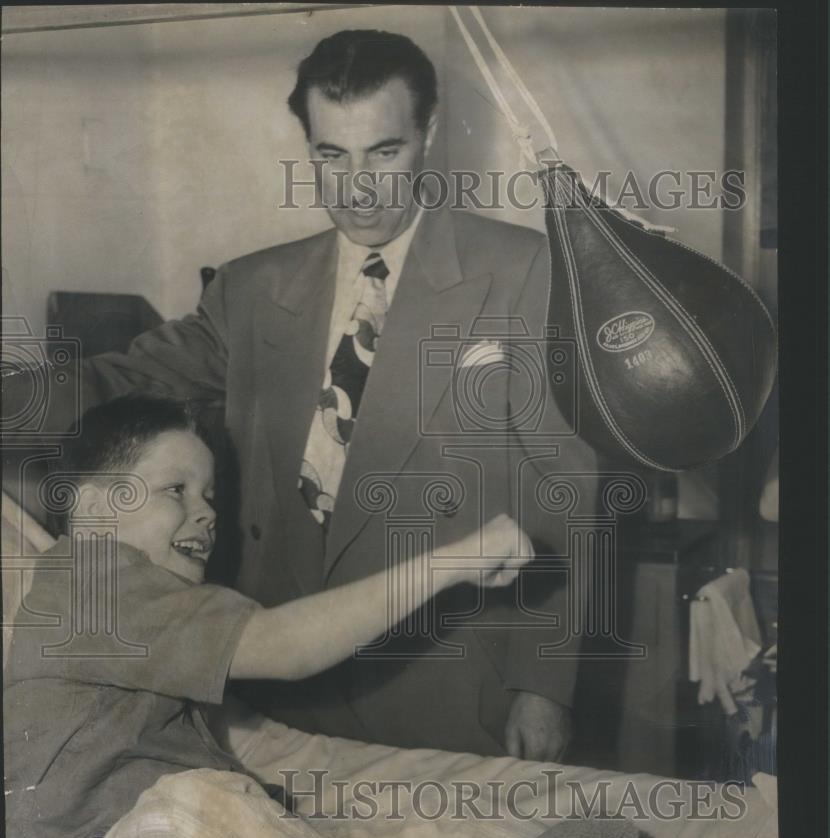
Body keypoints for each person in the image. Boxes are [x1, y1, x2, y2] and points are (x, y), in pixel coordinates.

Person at [5, 395, 777, 838]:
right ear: (97, 506)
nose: (206, 511)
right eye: (177, 488)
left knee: (406, 832)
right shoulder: (85, 579)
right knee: (199, 815)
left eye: (209, 494)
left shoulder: (149, 621)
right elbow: (286, 646)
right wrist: (451, 562)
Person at [1, 29, 597, 760]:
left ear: (429, 136)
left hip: (443, 679)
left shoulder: (523, 271)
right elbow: (114, 380)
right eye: (331, 156)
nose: (358, 189)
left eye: (385, 153)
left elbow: (564, 487)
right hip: (275, 692)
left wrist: (544, 685)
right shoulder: (253, 289)